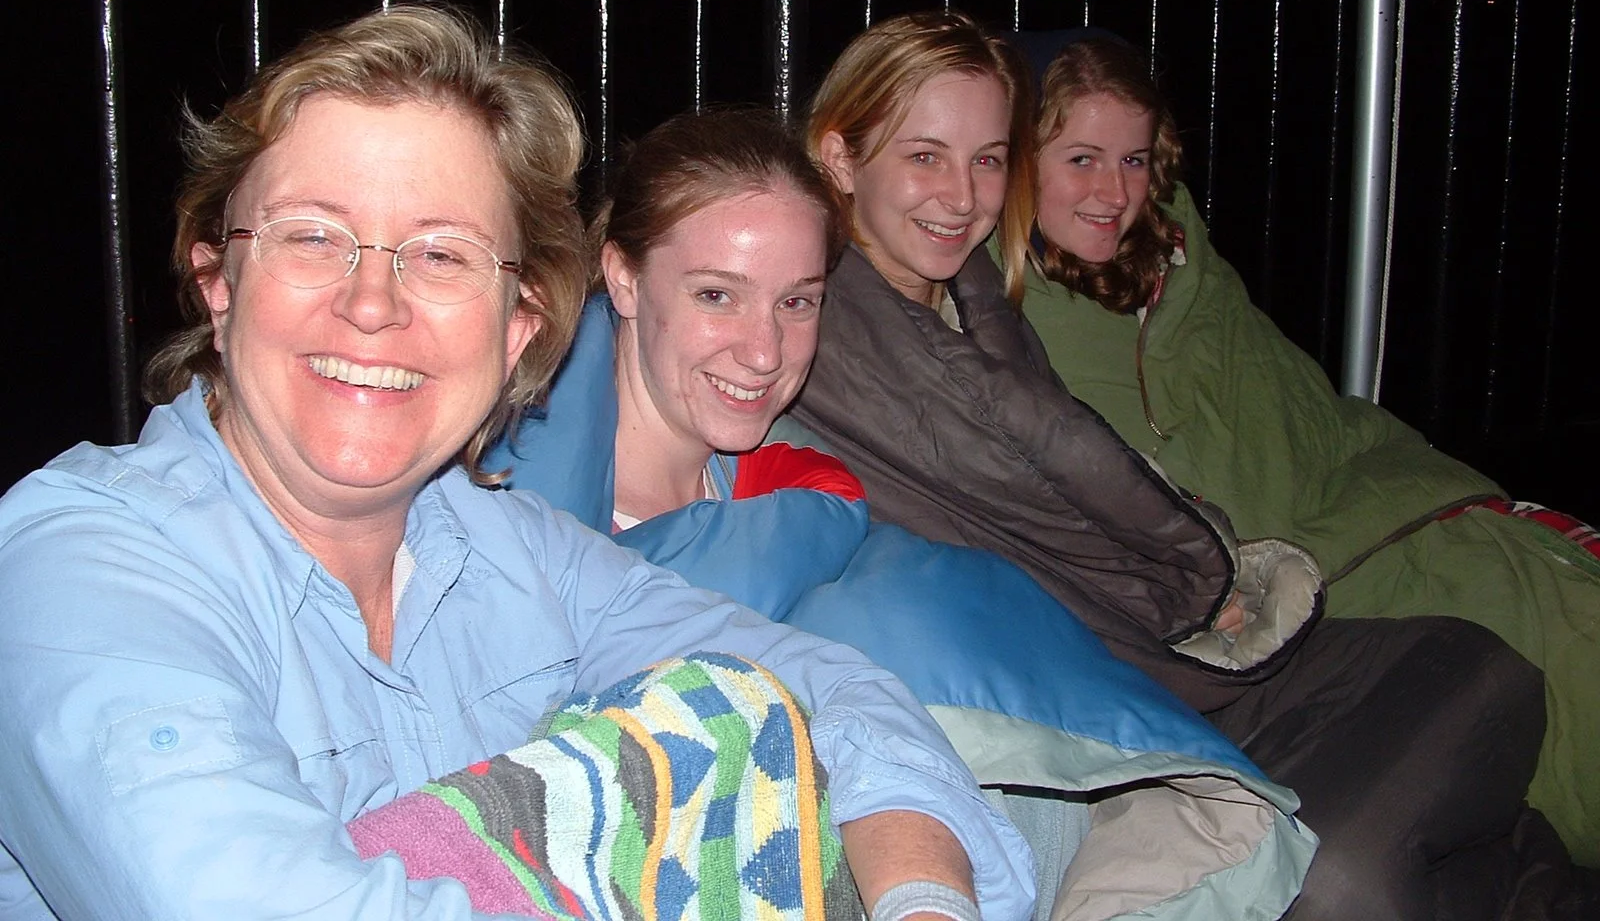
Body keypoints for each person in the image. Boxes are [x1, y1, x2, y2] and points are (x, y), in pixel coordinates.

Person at [0, 5, 1035, 921]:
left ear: (518, 326)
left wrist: (926, 905)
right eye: (313, 237)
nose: (372, 305)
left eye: (442, 255)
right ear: (218, 280)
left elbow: (833, 692)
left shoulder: (512, 549)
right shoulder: (81, 568)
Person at [788, 10, 1562, 920]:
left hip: (1170, 639)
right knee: (1356, 866)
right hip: (1114, 684)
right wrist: (1181, 578)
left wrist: (1198, 568)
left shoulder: (982, 307)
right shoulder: (821, 332)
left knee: (1480, 665)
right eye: (925, 157)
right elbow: (1007, 519)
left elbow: (1084, 480)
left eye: (988, 159)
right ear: (840, 160)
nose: (963, 196)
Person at [491, 108, 1317, 920]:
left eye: (798, 302)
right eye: (718, 294)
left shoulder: (814, 493)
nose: (763, 352)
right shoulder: (491, 500)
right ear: (625, 278)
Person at [1006, 32, 1600, 866]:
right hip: (1325, 582)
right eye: (1082, 159)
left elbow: (1306, 417)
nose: (1115, 192)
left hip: (1398, 504)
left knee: (1565, 607)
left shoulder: (1183, 269)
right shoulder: (1012, 324)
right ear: (1018, 160)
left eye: (1136, 161)